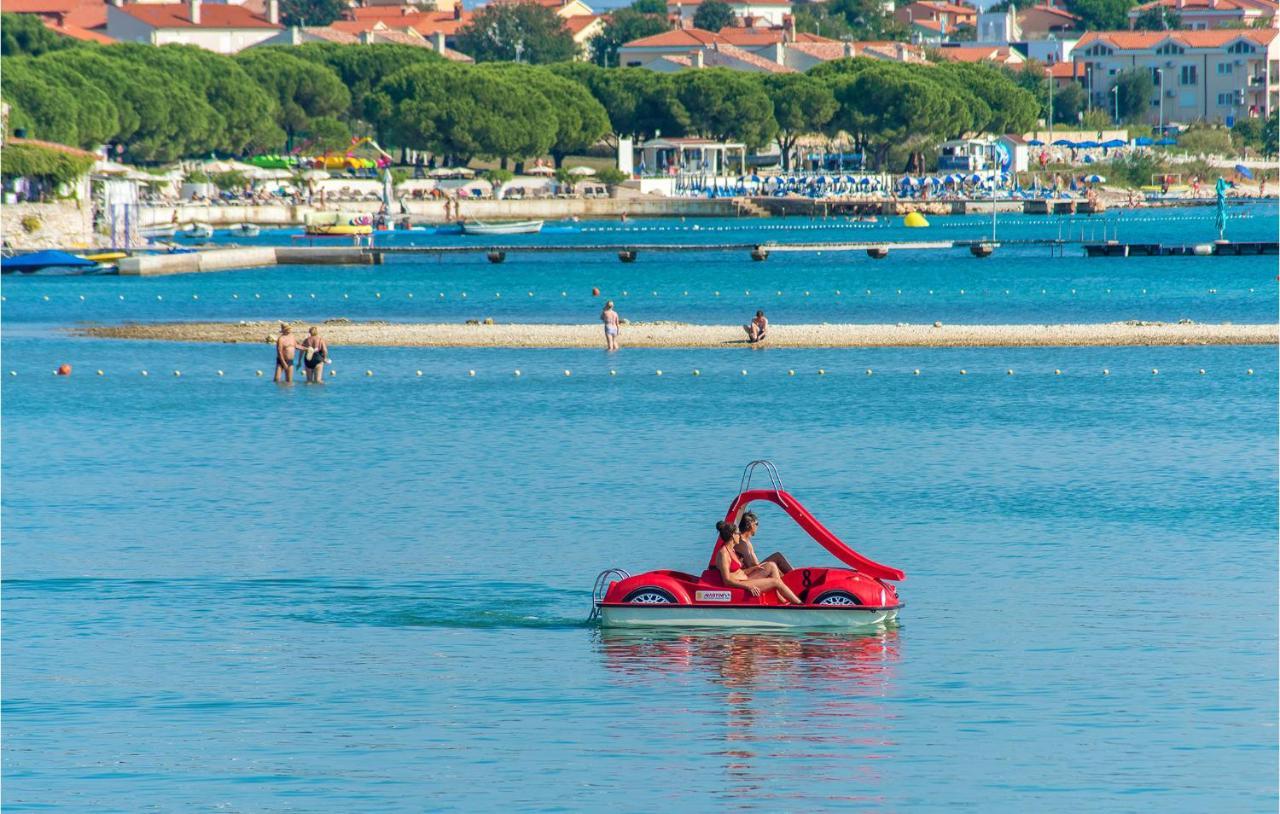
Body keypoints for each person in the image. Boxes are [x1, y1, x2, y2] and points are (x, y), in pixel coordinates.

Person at [711, 521, 801, 604]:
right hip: (740, 583)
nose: (740, 535)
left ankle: (780, 598)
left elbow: (739, 572)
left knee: (771, 565)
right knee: (776, 582)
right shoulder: (724, 554)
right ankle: (800, 605)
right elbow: (727, 580)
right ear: (732, 535)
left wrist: (753, 569)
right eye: (738, 533)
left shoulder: (732, 550)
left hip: (745, 578)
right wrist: (748, 587)